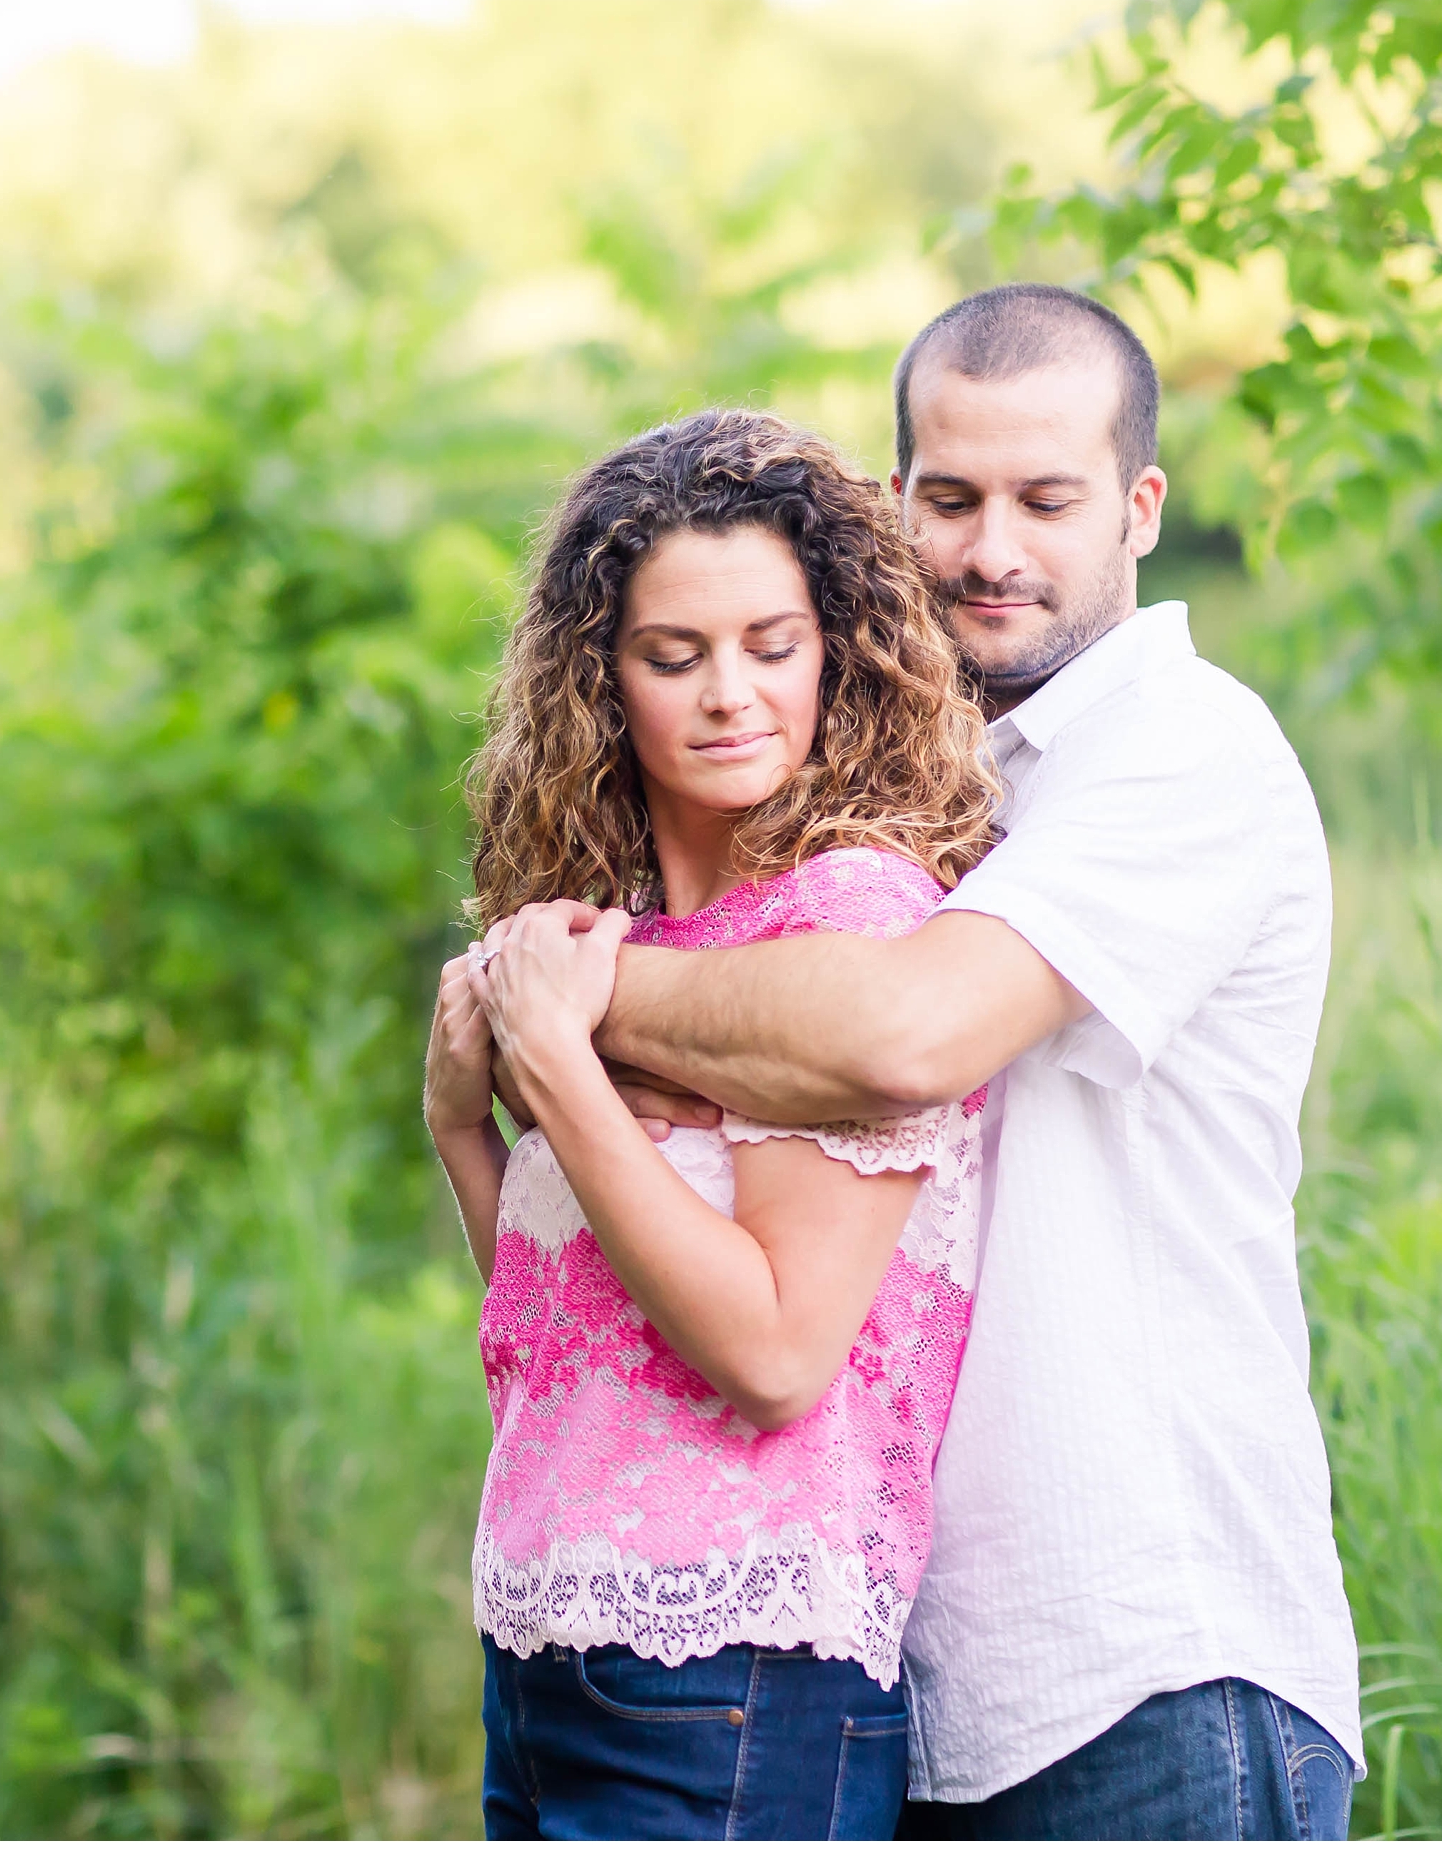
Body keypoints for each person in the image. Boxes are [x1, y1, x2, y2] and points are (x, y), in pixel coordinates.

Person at [527, 285, 1365, 1838]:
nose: (994, 549)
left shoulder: (1182, 749)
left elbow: (907, 1035)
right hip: (907, 1682)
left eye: (1048, 499)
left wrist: (556, 1000)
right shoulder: (904, 785)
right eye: (952, 496)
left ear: (1141, 508)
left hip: (1146, 1663)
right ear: (893, 499)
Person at [422, 408, 1001, 1839]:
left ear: (838, 650)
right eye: (673, 656)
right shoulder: (616, 946)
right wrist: (465, 1137)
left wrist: (552, 1064)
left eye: (773, 644)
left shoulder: (849, 920)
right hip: (548, 1651)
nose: (730, 692)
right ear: (604, 681)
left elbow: (772, 1350)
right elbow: (578, 1332)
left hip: (742, 1666)